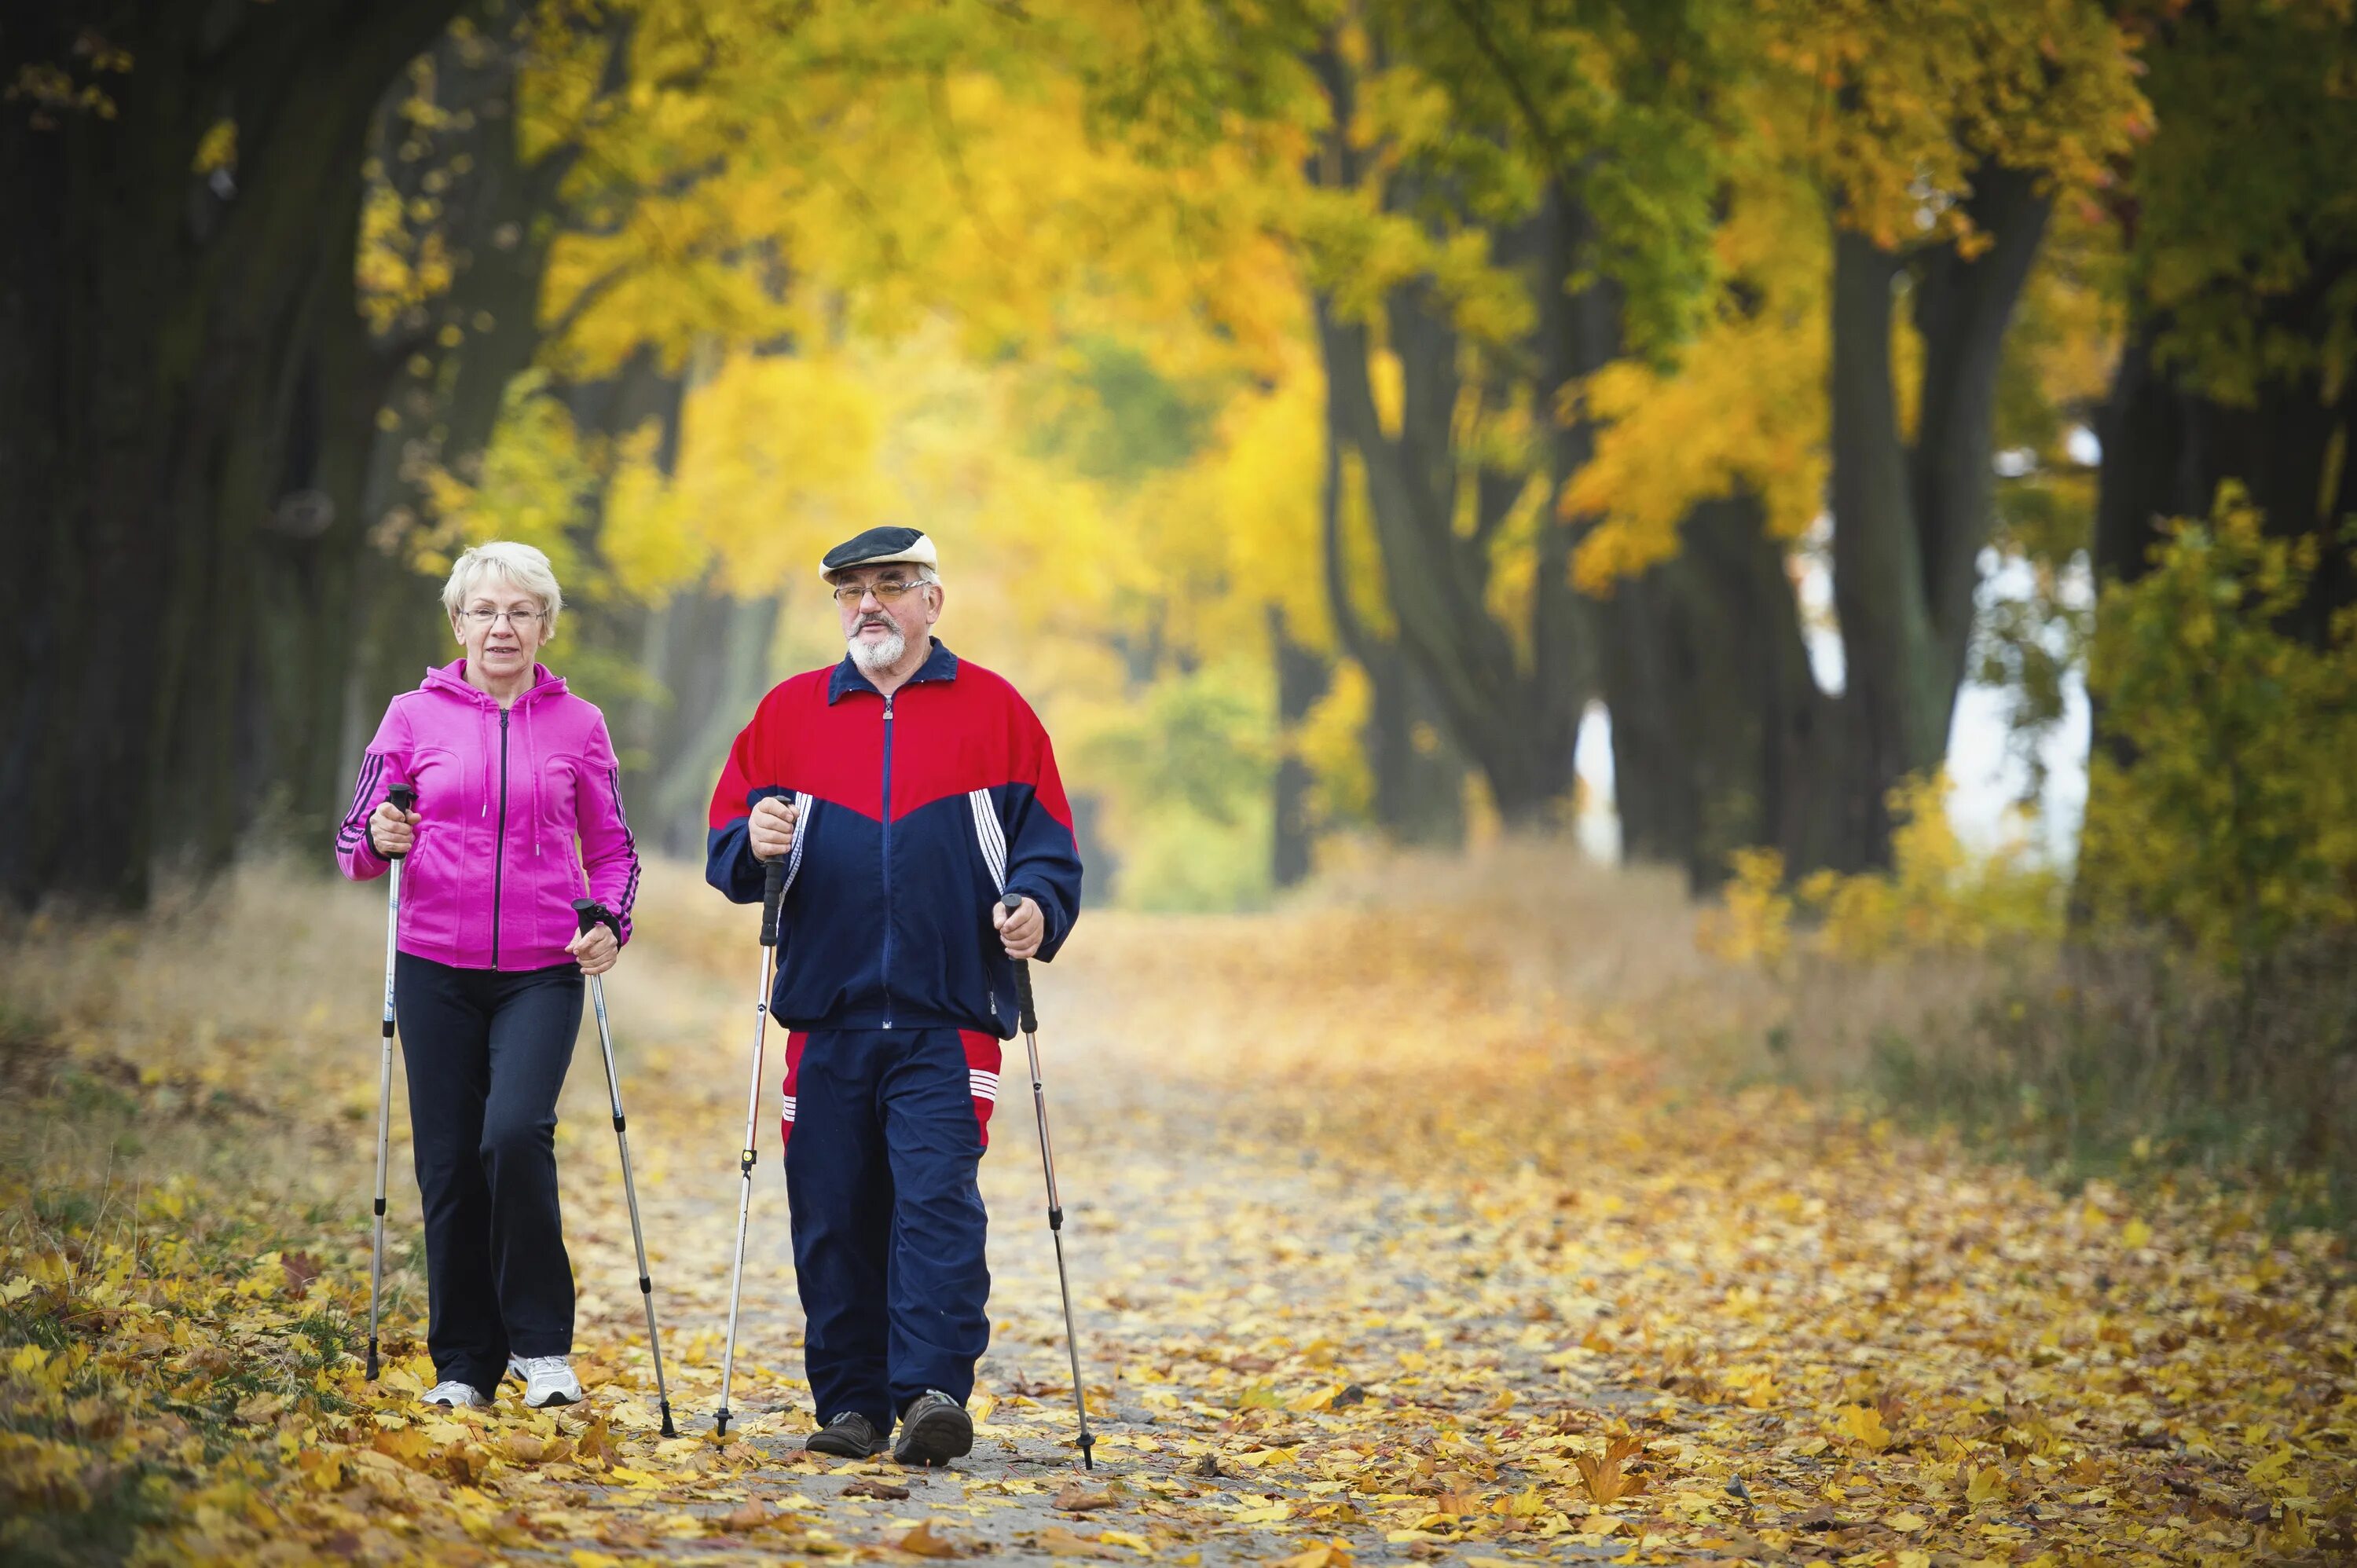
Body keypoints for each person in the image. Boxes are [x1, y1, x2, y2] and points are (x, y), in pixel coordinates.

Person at [705, 525, 1083, 1466]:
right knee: (832, 1211)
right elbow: (730, 844)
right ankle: (851, 1405)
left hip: (947, 1015)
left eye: (890, 584)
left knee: (935, 1203)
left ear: (931, 601)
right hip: (824, 1015)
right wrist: (752, 839)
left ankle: (929, 1395)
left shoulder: (996, 712)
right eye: (850, 590)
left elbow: (1049, 847)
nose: (867, 604)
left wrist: (1035, 906)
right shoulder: (789, 714)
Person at [335, 540, 641, 1411]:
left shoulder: (579, 724)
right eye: (484, 611)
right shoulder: (409, 716)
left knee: (512, 1135)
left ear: (545, 626)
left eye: (520, 612)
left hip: (543, 969)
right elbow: (356, 844)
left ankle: (541, 1347)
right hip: (433, 963)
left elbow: (614, 849)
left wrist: (608, 922)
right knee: (447, 1164)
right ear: (458, 622)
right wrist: (380, 841)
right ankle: (465, 1362)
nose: (501, 627)